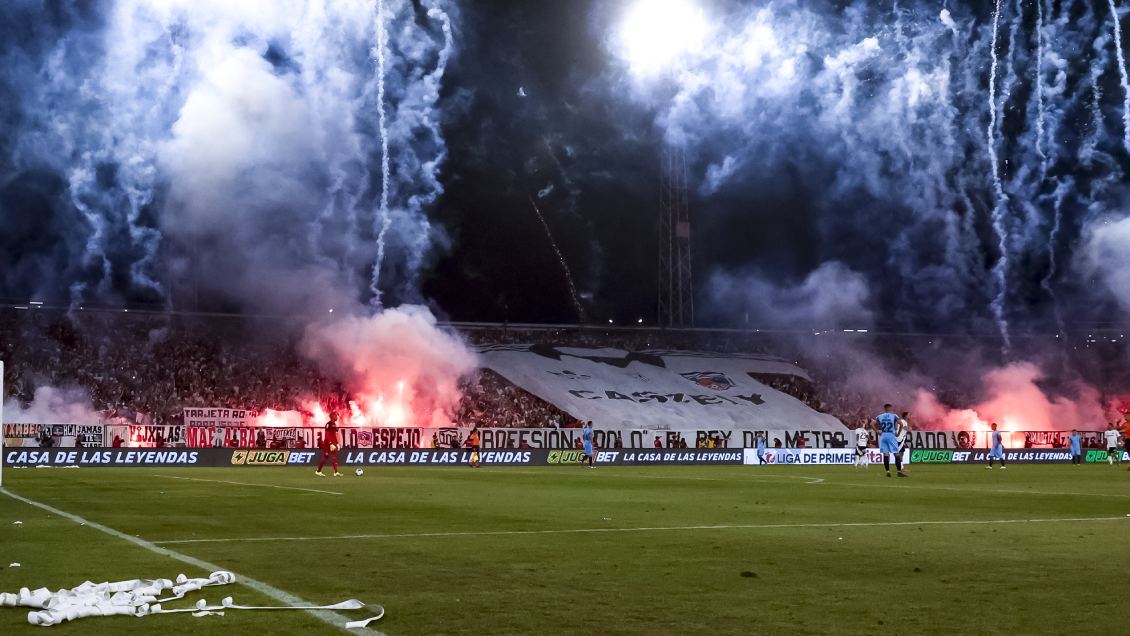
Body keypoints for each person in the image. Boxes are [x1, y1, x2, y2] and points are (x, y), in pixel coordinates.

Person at [875, 404, 906, 477]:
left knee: (886, 454)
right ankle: (899, 472)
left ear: (885, 409)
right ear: (890, 408)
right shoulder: (894, 416)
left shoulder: (880, 416)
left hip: (883, 436)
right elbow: (901, 424)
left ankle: (888, 472)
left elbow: (872, 423)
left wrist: (877, 431)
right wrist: (898, 433)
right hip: (891, 435)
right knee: (896, 454)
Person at [315, 412, 342, 477]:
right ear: (332, 416)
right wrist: (330, 443)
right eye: (336, 416)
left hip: (333, 443)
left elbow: (334, 435)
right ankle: (318, 471)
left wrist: (337, 443)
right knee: (325, 456)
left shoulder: (334, 424)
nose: (337, 417)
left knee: (334, 457)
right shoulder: (328, 424)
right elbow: (327, 435)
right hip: (328, 443)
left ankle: (336, 472)